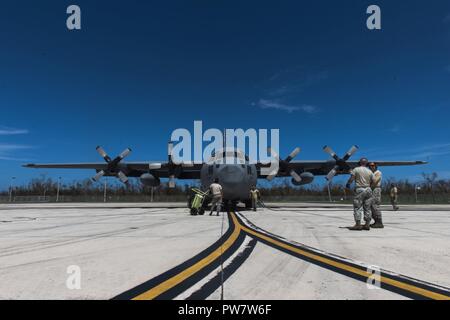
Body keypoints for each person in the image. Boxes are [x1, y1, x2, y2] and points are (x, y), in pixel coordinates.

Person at [346, 158, 374, 231]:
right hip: (368, 189)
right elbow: (373, 181)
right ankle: (367, 224)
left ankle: (358, 224)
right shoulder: (370, 171)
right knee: (367, 207)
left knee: (357, 207)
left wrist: (348, 184)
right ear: (366, 163)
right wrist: (369, 187)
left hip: (360, 189)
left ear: (359, 163)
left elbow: (352, 178)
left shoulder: (356, 169)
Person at [369, 162, 384, 228]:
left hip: (375, 189)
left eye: (373, 165)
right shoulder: (371, 173)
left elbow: (375, 181)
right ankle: (376, 221)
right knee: (371, 206)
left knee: (375, 205)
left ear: (375, 166)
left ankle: (379, 222)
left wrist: (368, 187)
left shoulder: (378, 172)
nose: (371, 166)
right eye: (370, 166)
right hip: (371, 189)